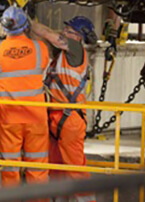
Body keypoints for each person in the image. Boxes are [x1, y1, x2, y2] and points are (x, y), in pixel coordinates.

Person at [31, 16, 97, 202]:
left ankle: (87, 200)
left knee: (75, 167)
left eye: (68, 31)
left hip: (70, 119)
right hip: (55, 116)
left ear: (78, 37)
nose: (63, 33)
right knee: (56, 166)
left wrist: (29, 22)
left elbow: (49, 35)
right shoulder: (62, 55)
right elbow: (43, 38)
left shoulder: (76, 50)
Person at [0, 6, 50, 188]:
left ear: (4, 27)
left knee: (10, 167)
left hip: (9, 119)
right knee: (37, 167)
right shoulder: (39, 48)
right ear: (26, 26)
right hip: (36, 117)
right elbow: (43, 66)